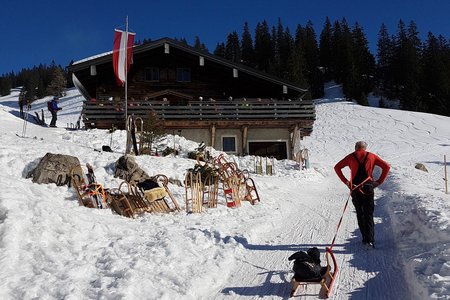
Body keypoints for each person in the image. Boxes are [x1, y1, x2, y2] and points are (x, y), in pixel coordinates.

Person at [334, 141, 390, 248]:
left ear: (355, 148)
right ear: (365, 148)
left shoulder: (350, 156)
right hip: (368, 187)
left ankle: (364, 238)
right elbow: (386, 167)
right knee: (368, 213)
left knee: (360, 213)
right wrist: (379, 181)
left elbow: (337, 167)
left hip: (355, 187)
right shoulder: (371, 156)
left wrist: (346, 182)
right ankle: (370, 240)